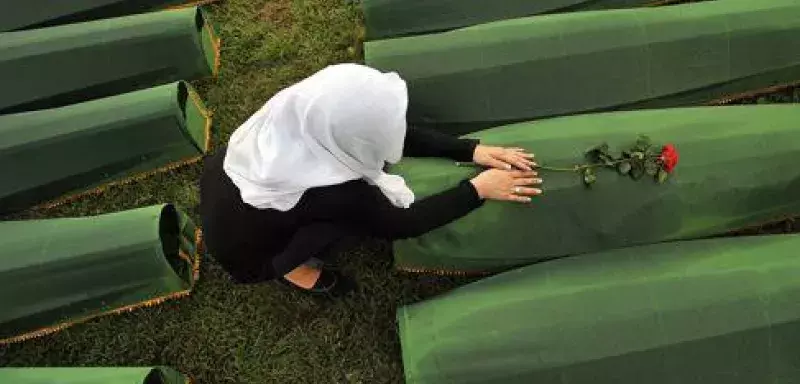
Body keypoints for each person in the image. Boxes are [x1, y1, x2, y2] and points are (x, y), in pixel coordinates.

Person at [199, 63, 542, 296]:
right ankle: (290, 269)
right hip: (249, 255)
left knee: (316, 216)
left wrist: (469, 151)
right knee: (343, 225)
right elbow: (402, 223)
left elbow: (383, 132)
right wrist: (478, 189)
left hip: (230, 196)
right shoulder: (336, 195)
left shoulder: (292, 118)